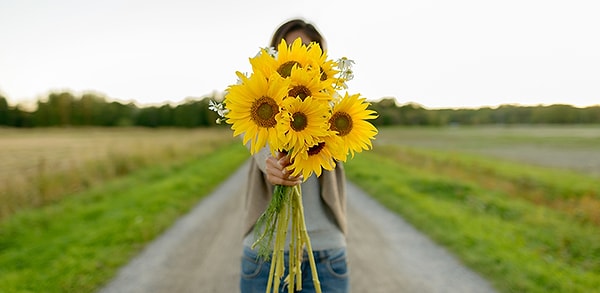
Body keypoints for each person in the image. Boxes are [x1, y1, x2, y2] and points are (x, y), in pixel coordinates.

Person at [240, 18, 350, 293]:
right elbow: (259, 145)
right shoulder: (256, 100)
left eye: (306, 50)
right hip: (263, 254)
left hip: (325, 251)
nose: (297, 62)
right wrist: (276, 165)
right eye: (288, 50)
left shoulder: (334, 104)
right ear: (274, 57)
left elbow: (339, 145)